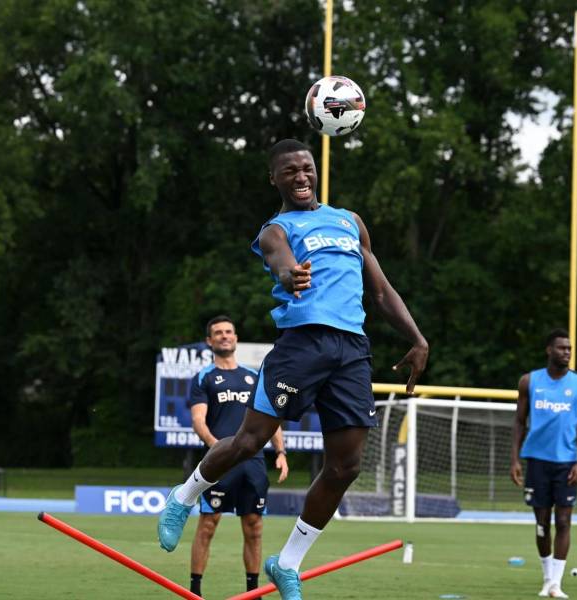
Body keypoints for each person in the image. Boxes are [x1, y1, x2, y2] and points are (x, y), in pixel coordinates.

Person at [157, 138, 429, 599]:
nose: (300, 176)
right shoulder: (275, 230)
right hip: (301, 346)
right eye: (289, 171)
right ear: (274, 179)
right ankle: (183, 496)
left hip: (352, 351)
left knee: (346, 466)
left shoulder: (350, 222)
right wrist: (290, 275)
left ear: (315, 171)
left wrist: (418, 339)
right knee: (249, 442)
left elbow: (380, 291)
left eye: (306, 168)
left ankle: (286, 563)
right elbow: (281, 263)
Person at [188, 315, 289, 598]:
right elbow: (199, 420)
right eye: (218, 333)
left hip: (254, 462)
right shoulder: (203, 378)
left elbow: (271, 418)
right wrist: (217, 448)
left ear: (235, 338)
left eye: (228, 331)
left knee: (254, 526)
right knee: (208, 524)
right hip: (221, 462)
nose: (224, 336)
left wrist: (280, 452)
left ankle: (252, 593)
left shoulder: (253, 376)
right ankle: (195, 591)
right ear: (210, 341)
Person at [510, 329, 577, 599]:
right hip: (537, 461)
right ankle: (547, 578)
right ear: (549, 350)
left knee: (565, 520)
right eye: (561, 348)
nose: (567, 352)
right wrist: (515, 459)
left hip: (567, 462)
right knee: (542, 523)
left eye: (569, 348)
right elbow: (519, 422)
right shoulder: (529, 381)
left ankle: (557, 583)